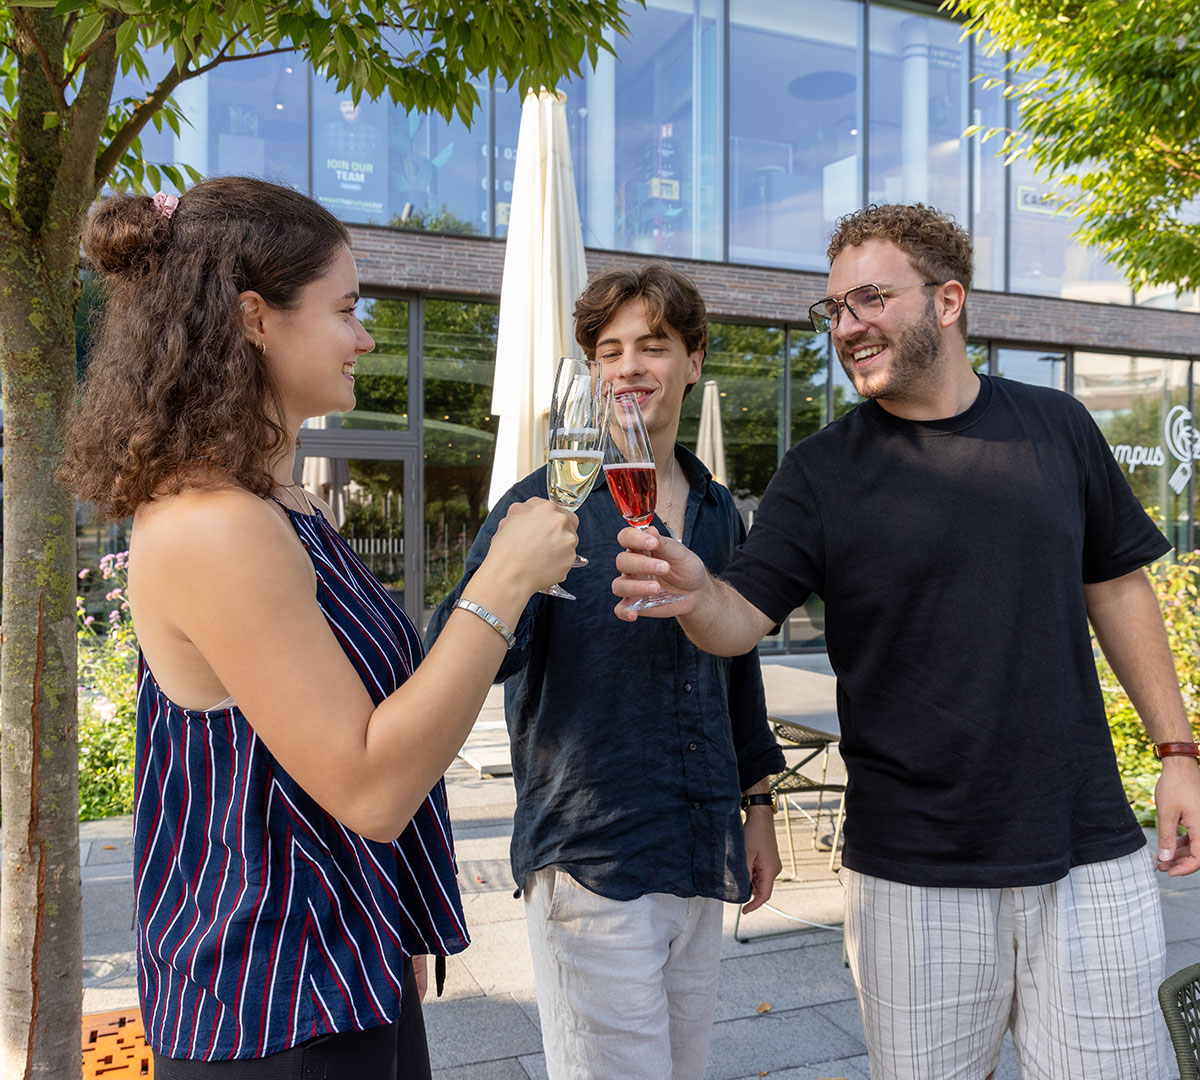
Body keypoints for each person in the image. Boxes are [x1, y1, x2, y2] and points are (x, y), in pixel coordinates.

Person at [612, 204, 1200, 1080]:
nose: (847, 327)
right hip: (913, 872)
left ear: (949, 300)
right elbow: (741, 619)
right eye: (835, 310)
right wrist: (698, 593)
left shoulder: (1058, 427)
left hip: (1088, 854)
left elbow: (1116, 585)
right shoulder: (819, 470)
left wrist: (1178, 747)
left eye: (870, 300)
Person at [61, 177, 579, 1077]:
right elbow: (373, 786)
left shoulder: (274, 500)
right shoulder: (214, 524)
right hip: (269, 1003)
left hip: (333, 968)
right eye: (346, 308)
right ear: (256, 317)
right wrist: (500, 584)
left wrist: (389, 915)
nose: (365, 335)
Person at [426, 262, 785, 1080]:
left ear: (693, 362)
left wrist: (758, 804)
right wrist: (515, 583)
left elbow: (739, 669)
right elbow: (459, 650)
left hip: (700, 844)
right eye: (609, 350)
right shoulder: (539, 505)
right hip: (592, 852)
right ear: (592, 372)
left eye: (652, 346)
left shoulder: (720, 509)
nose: (629, 367)